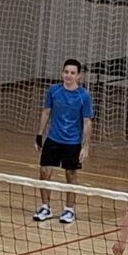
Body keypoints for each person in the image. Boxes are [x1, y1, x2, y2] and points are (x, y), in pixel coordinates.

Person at [33, 60, 95, 224]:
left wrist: (85, 146)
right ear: (62, 73)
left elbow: (87, 122)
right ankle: (45, 207)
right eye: (66, 72)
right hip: (53, 139)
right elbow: (46, 112)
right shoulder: (54, 91)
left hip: (72, 142)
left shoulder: (84, 96)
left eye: (72, 73)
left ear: (78, 76)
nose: (69, 75)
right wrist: (40, 135)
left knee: (71, 175)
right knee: (44, 171)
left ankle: (69, 210)